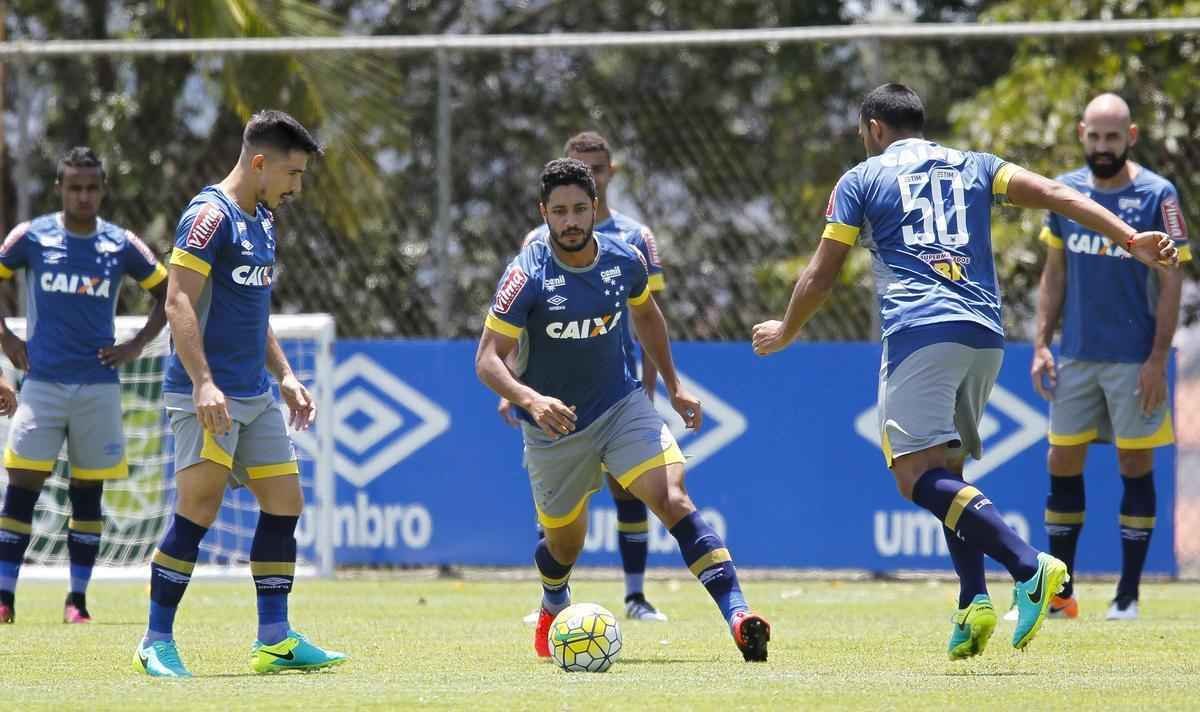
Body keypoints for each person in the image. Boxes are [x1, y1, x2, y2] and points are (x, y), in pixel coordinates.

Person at [751, 83, 1178, 660]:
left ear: (875, 129)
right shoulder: (975, 165)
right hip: (984, 335)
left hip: (921, 332)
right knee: (948, 468)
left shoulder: (861, 178)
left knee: (912, 476)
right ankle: (973, 600)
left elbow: (822, 275)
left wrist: (786, 329)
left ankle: (1030, 566)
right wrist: (1129, 239)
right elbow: (1056, 192)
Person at [477, 158, 771, 662]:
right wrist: (530, 398)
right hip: (555, 428)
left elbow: (647, 318)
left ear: (595, 209)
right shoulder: (526, 273)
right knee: (563, 545)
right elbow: (486, 359)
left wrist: (675, 386)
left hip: (620, 405)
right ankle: (553, 601)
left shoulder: (625, 258)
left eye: (578, 210)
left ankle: (739, 615)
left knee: (673, 497)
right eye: (559, 212)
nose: (569, 222)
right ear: (543, 213)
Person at [133, 110, 346, 677]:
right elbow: (176, 300)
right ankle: (155, 641)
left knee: (285, 503)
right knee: (198, 512)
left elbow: (255, 314)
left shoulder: (264, 219)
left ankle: (274, 639)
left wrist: (286, 375)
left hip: (255, 394)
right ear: (258, 163)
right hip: (203, 394)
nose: (296, 187)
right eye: (293, 174)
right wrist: (203, 381)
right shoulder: (209, 216)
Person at [1027, 93, 1190, 622]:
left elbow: (1172, 281)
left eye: (1112, 137)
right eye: (1094, 137)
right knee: (1061, 460)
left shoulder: (1157, 195)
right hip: (1075, 357)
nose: (1103, 147)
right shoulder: (1067, 193)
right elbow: (1054, 274)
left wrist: (1156, 357)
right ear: (1081, 134)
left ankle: (1127, 596)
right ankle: (1060, 596)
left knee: (1134, 463)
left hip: (1134, 361)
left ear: (1131, 137)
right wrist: (1041, 343)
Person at [505, 131, 670, 623]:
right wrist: (517, 386)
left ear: (608, 176)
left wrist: (651, 387)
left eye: (597, 168)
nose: (590, 174)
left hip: (616, 386)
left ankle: (636, 596)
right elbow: (518, 318)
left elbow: (648, 315)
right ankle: (554, 597)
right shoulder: (539, 243)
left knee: (631, 487)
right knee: (558, 508)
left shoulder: (636, 239)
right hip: (553, 390)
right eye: (581, 166)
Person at [0, 146, 166, 625]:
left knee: (87, 494)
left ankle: (78, 600)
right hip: (43, 384)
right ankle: (5, 597)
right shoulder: (31, 237)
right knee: (21, 488)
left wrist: (135, 346)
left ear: (103, 189)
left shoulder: (121, 244)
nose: (84, 196)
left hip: (98, 387)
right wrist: (7, 336)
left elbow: (167, 293)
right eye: (75, 187)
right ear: (60, 189)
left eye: (92, 187)